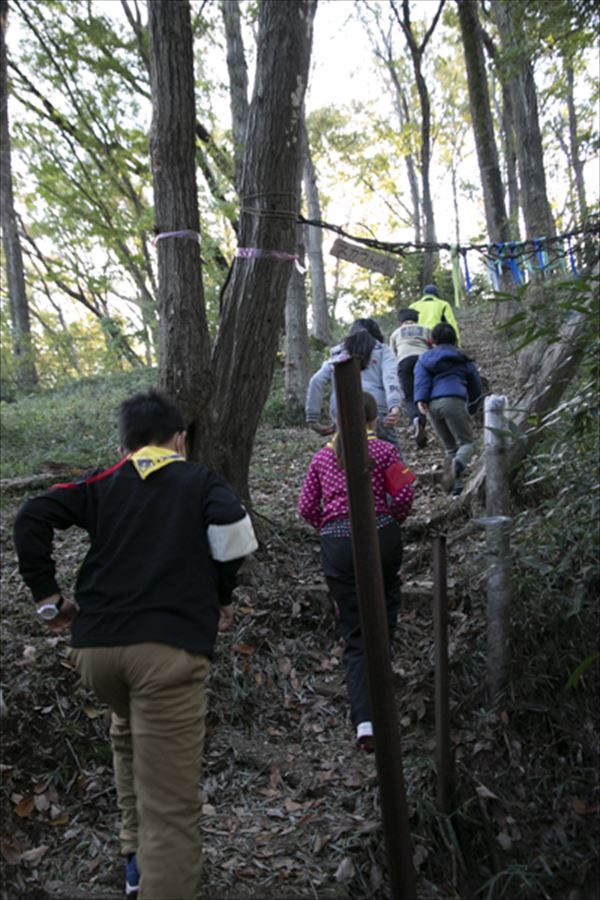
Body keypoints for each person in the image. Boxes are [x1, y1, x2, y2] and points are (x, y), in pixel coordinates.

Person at [13, 389, 257, 900]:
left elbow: (31, 515)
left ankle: (134, 864)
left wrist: (49, 599)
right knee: (172, 812)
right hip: (165, 653)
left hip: (97, 652)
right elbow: (234, 531)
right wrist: (220, 593)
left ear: (125, 443)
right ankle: (158, 875)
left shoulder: (104, 482)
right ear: (181, 439)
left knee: (127, 732)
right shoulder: (198, 480)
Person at [298, 392, 414, 750]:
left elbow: (305, 507)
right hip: (382, 536)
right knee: (384, 611)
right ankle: (385, 701)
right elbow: (406, 492)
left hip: (337, 544)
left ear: (334, 418)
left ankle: (365, 720)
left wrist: (331, 528)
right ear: (373, 420)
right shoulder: (386, 451)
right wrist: (391, 520)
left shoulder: (322, 457)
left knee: (355, 630)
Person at [305, 318, 402, 449]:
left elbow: (316, 380)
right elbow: (390, 378)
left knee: (347, 457)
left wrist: (313, 419)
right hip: (375, 409)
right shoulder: (383, 350)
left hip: (341, 409)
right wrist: (394, 406)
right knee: (391, 453)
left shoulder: (337, 353)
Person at [414, 323, 483, 495]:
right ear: (454, 338)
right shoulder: (462, 357)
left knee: (450, 448)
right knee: (467, 444)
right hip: (454, 400)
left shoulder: (424, 358)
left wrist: (421, 399)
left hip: (432, 406)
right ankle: (458, 465)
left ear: (433, 340)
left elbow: (421, 379)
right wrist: (474, 405)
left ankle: (456, 487)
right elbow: (475, 385)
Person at [389, 308, 432, 448]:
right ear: (416, 319)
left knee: (409, 397)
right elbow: (432, 346)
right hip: (423, 360)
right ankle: (423, 421)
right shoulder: (425, 329)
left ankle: (415, 419)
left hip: (404, 361)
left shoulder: (395, 333)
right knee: (423, 394)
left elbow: (392, 354)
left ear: (400, 321)